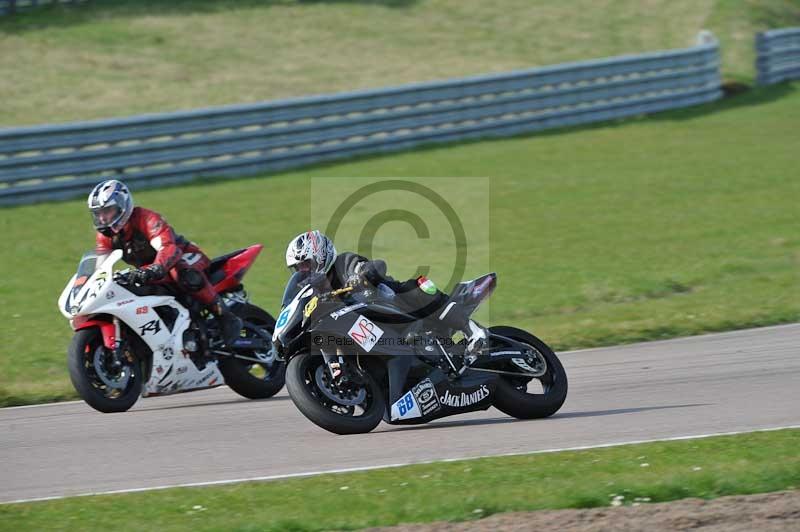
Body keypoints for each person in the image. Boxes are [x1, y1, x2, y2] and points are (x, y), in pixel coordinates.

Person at [87, 179, 242, 345]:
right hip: (152, 270)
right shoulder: (105, 237)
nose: (102, 218)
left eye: (107, 211)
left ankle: (225, 316)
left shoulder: (147, 219)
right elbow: (100, 265)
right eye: (98, 213)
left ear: (122, 206)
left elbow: (168, 248)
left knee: (183, 273)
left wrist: (155, 268)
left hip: (184, 256)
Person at [284, 230, 488, 355]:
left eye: (306, 264)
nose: (304, 271)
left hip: (392, 304)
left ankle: (474, 331)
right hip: (370, 332)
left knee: (416, 287)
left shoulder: (343, 263)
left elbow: (375, 266)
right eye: (299, 269)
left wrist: (362, 275)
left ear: (320, 255)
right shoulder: (315, 292)